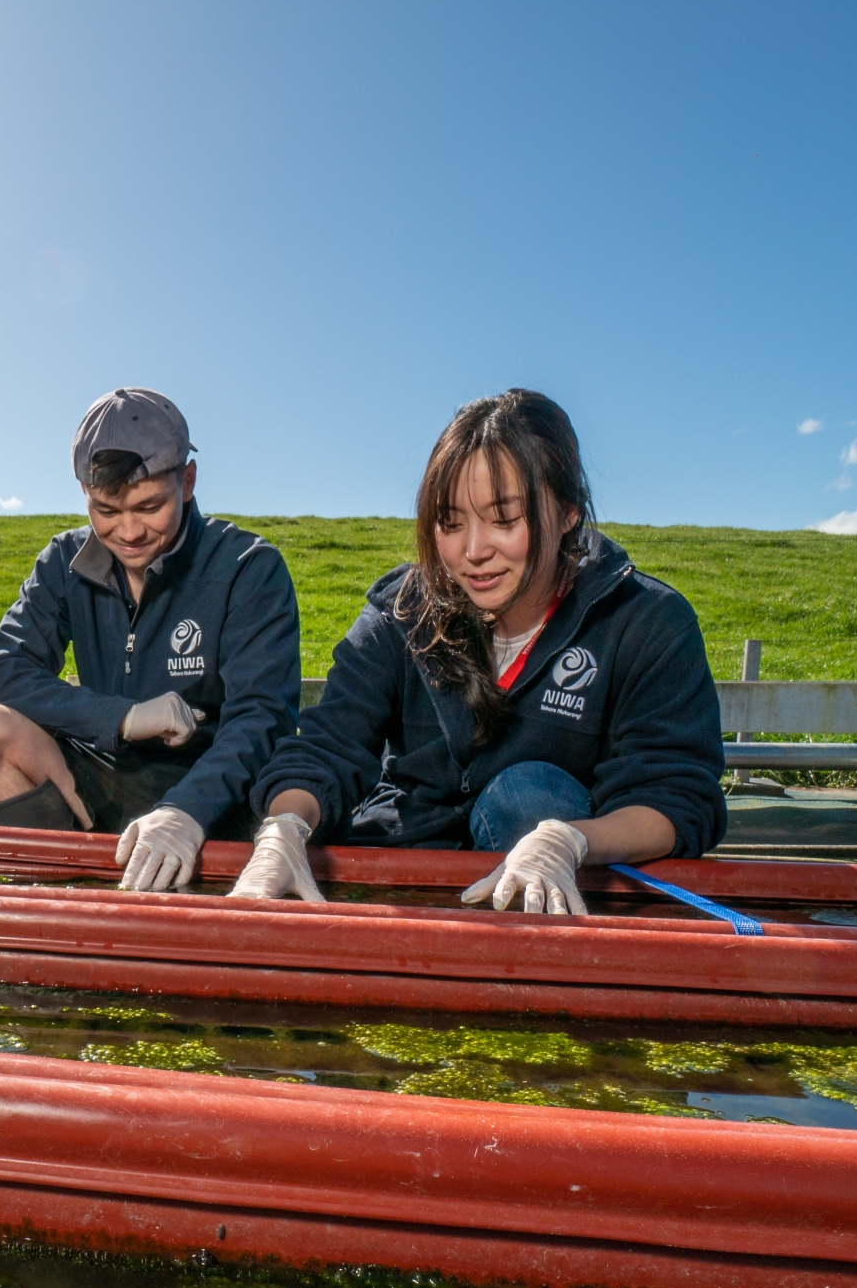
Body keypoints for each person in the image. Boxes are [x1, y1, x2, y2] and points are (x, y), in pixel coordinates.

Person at [228, 389, 725, 912]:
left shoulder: (646, 622)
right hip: (406, 868)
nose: (473, 551)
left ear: (568, 512)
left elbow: (677, 796)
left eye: (503, 519)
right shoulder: (400, 614)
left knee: (530, 794)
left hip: (552, 897)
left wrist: (571, 840)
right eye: (450, 523)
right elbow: (328, 747)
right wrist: (284, 827)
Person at [0, 387, 301, 892]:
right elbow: (3, 673)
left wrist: (186, 810)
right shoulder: (63, 561)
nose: (129, 532)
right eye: (106, 511)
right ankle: (56, 909)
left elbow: (262, 719)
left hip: (214, 793)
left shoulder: (249, 568)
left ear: (188, 481)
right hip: (104, 771)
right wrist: (123, 719)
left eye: (149, 505)